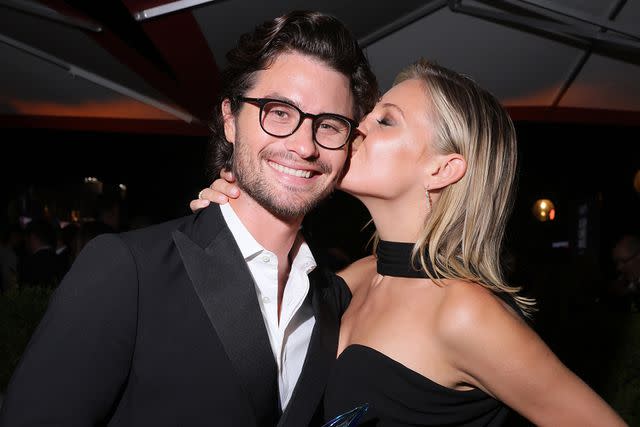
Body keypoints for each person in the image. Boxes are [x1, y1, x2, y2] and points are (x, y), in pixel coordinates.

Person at [194, 59, 626, 425]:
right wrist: (243, 219)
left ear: (442, 170)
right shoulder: (354, 279)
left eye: (385, 120)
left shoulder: (464, 312)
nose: (356, 125)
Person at [0, 11, 378, 427]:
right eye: (280, 112)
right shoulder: (130, 270)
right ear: (231, 120)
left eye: (329, 125)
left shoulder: (330, 298)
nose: (305, 146)